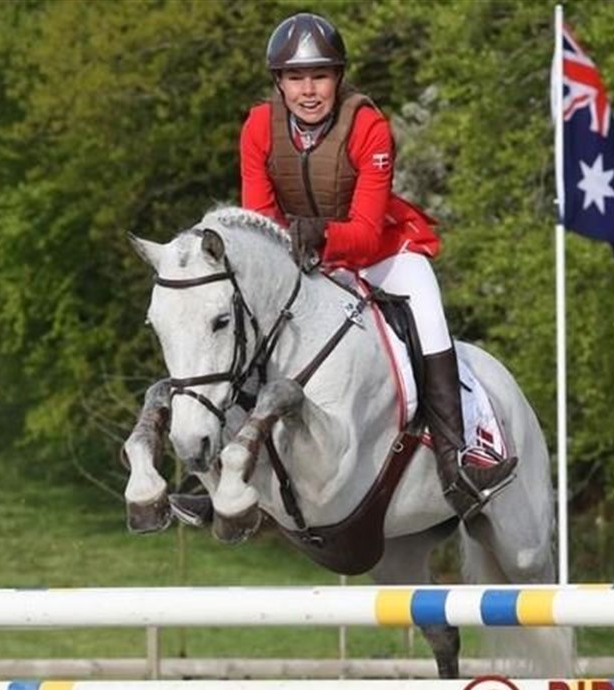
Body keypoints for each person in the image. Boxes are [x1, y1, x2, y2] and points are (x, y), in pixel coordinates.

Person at [170, 12, 516, 526]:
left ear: (338, 77)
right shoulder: (259, 127)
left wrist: (321, 235)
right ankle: (222, 471)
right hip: (301, 257)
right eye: (296, 78)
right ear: (279, 82)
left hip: (383, 254)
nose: (308, 91)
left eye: (320, 76)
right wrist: (292, 250)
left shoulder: (369, 127)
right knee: (243, 324)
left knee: (428, 316)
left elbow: (368, 233)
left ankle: (455, 460)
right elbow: (258, 221)